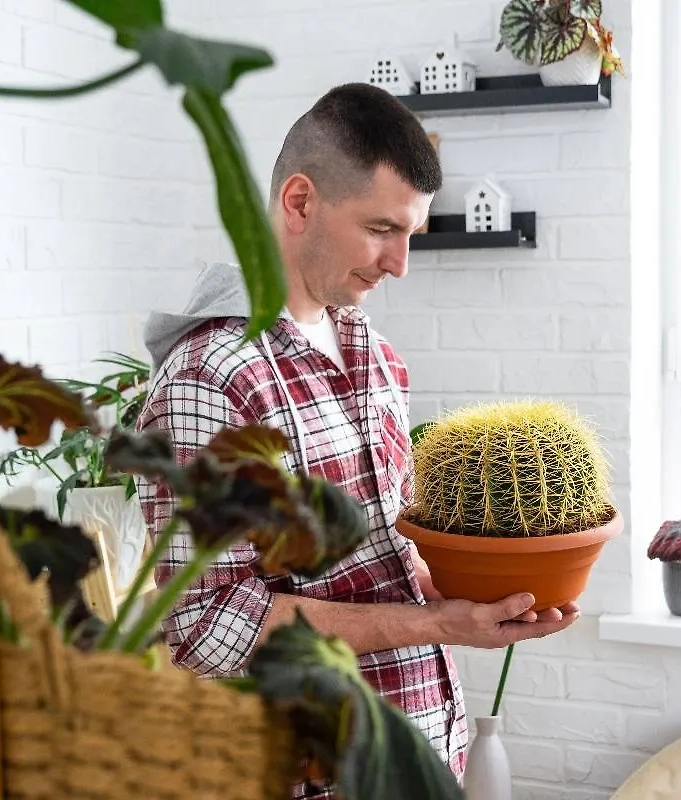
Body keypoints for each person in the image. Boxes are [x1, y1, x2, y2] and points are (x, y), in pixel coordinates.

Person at [134, 82, 580, 797]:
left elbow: (380, 564)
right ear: (301, 202)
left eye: (410, 234)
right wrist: (435, 621)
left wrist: (479, 602)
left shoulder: (371, 350)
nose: (400, 263)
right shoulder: (209, 381)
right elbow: (203, 625)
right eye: (381, 230)